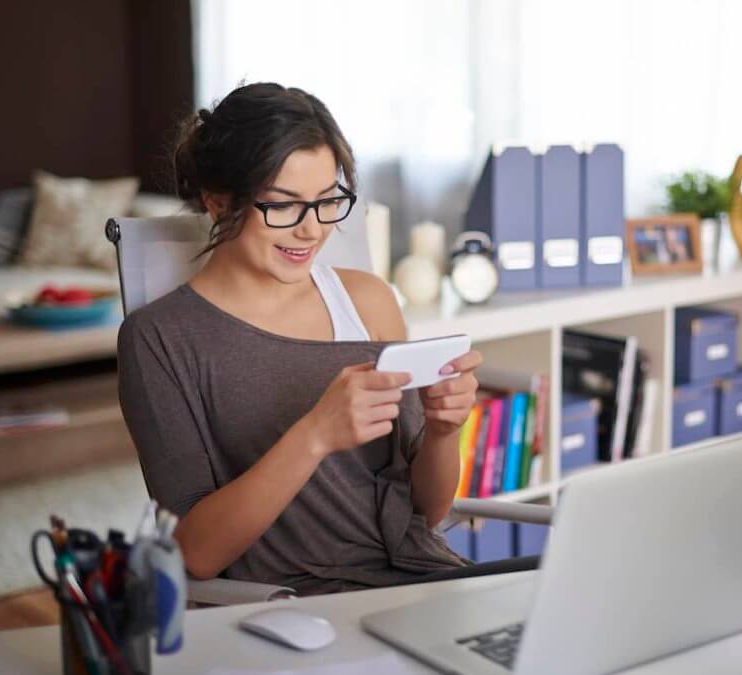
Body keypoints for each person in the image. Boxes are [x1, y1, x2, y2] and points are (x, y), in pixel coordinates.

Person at [116, 83, 484, 595]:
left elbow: (426, 511)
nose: (312, 231)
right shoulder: (160, 339)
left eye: (327, 201)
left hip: (423, 581)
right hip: (292, 608)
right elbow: (196, 554)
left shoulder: (370, 302)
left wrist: (446, 432)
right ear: (219, 203)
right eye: (285, 206)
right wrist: (315, 435)